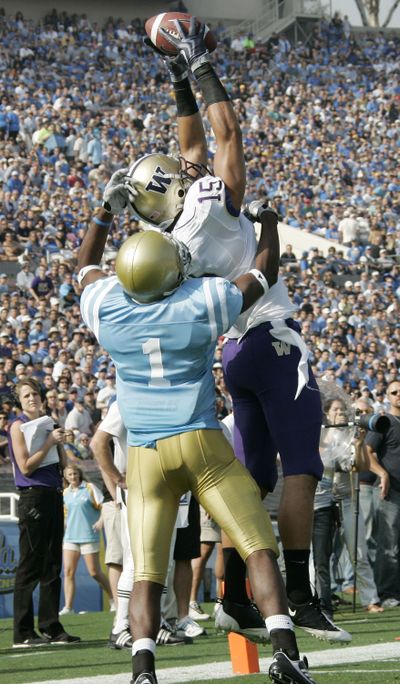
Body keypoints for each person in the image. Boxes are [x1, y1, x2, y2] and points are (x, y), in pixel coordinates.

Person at [106, 18, 334, 643]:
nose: (187, 167)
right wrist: (199, 61)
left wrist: (178, 84)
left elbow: (191, 153)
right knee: (302, 468)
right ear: (176, 188)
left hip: (231, 349)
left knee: (254, 474)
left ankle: (234, 597)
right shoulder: (209, 206)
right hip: (271, 333)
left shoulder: (168, 238)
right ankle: (302, 597)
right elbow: (223, 136)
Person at [77, 185, 318, 684]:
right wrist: (266, 221)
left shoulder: (108, 310)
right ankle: (287, 653)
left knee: (146, 573)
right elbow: (261, 273)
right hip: (201, 445)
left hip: (145, 454)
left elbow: (84, 267)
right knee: (256, 544)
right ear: (171, 270)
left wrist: (103, 211)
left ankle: (143, 668)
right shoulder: (198, 301)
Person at [8, 378, 80, 647]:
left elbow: (62, 463)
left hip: (52, 494)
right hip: (33, 497)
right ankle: (23, 632)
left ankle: (51, 627)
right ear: (19, 400)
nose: (32, 398)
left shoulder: (49, 421)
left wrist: (60, 440)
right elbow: (26, 467)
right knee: (30, 565)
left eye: (34, 393)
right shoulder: (16, 426)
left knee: (52, 565)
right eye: (26, 395)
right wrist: (49, 441)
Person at [364, 379, 400, 608]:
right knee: (390, 546)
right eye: (395, 392)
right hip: (392, 493)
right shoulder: (385, 421)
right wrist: (383, 474)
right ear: (388, 395)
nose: (399, 395)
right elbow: (366, 452)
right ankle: (387, 593)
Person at [60, 463, 113, 615]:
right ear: (66, 477)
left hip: (89, 536)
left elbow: (104, 506)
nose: (73, 477)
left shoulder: (89, 488)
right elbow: (65, 514)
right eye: (70, 475)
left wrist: (101, 521)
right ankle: (68, 608)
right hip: (70, 537)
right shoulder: (65, 493)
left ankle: (113, 599)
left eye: (75, 474)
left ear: (79, 474)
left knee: (94, 572)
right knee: (68, 572)